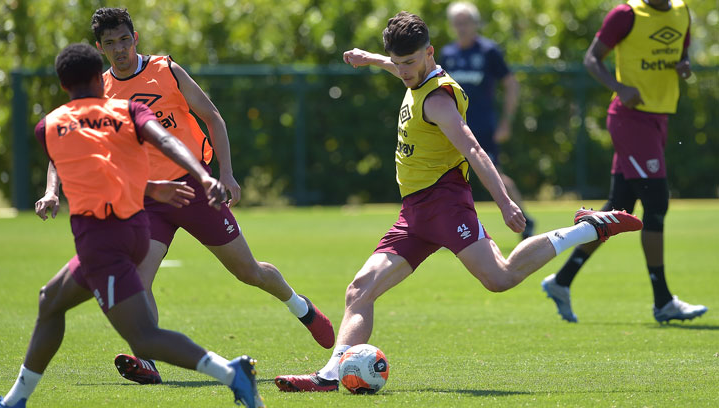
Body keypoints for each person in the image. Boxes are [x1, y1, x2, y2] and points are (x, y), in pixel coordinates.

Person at [273, 11, 643, 392]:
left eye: (409, 63)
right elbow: (396, 63)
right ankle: (331, 375)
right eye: (398, 63)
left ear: (429, 53)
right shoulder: (413, 71)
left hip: (446, 206)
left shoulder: (437, 99)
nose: (402, 71)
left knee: (500, 277)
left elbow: (474, 149)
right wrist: (370, 59)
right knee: (359, 290)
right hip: (414, 214)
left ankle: (588, 228)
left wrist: (504, 202)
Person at [34, 7, 334, 385]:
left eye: (124, 39)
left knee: (248, 271)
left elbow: (212, 116)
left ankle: (301, 307)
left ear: (135, 37)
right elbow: (66, 143)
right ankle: (147, 361)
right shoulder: (101, 91)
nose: (120, 49)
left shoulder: (166, 70)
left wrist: (226, 173)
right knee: (139, 280)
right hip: (148, 200)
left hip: (195, 189)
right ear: (99, 48)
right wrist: (50, 191)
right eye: (110, 44)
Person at [0, 43, 263, 408]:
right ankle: (15, 401)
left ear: (62, 84)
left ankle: (232, 374)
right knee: (50, 302)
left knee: (145, 338)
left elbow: (96, 170)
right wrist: (198, 175)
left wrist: (55, 192)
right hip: (133, 229)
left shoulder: (52, 126)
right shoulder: (127, 109)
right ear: (96, 77)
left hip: (103, 241)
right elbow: (165, 140)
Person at [541, 0, 708, 324]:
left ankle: (561, 281)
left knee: (618, 206)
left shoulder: (680, 11)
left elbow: (682, 53)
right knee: (657, 204)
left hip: (659, 117)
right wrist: (619, 87)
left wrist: (684, 64)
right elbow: (592, 59)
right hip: (630, 120)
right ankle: (663, 302)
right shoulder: (626, 14)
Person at [439, 1, 535, 239]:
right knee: (443, 175)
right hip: (453, 127)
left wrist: (506, 122)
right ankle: (441, 227)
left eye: (466, 22)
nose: (461, 27)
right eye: (457, 23)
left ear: (475, 23)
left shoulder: (488, 51)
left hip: (482, 126)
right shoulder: (447, 54)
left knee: (494, 174)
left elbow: (511, 84)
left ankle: (525, 218)